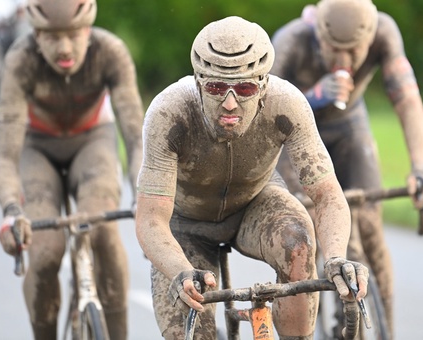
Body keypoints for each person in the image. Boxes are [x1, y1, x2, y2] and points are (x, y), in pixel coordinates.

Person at [135, 16, 369, 340]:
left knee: (297, 241)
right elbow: (150, 219)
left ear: (263, 85)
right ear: (198, 81)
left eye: (244, 88)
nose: (230, 103)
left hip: (254, 204)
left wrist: (336, 258)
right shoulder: (168, 113)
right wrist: (179, 270)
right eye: (216, 88)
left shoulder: (287, 104)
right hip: (185, 225)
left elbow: (328, 195)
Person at [270, 0, 423, 336]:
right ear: (317, 32)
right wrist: (312, 96)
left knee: (368, 227)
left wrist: (420, 168)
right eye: (334, 50)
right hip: (293, 137)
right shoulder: (292, 40)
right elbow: (262, 118)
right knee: (304, 229)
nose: (344, 62)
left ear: (370, 38)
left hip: (349, 128)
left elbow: (407, 100)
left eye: (355, 51)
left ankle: (384, 329)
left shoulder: (384, 32)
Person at [0, 0, 144, 338]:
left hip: (92, 142)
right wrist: (11, 210)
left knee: (102, 228)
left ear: (88, 29)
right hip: (37, 147)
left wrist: (143, 194)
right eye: (50, 37)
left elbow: (136, 140)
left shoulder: (110, 52)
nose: (64, 48)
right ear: (35, 34)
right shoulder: (20, 60)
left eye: (74, 35)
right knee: (45, 252)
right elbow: (5, 156)